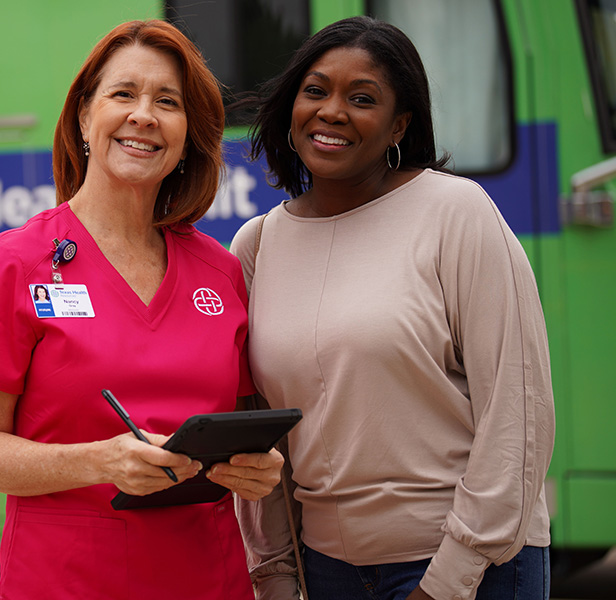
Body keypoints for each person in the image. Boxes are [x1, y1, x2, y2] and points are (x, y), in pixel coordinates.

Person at [0, 19, 282, 600]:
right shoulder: (16, 262)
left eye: (167, 102)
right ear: (83, 116)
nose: (143, 115)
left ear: (187, 135)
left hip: (210, 578)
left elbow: (245, 425)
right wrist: (100, 462)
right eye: (123, 94)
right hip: (67, 581)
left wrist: (260, 467)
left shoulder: (221, 271)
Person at [230, 16, 555, 600]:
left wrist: (450, 579)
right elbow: (261, 437)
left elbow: (519, 411)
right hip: (328, 571)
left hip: (471, 565)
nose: (332, 111)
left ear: (398, 124)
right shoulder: (257, 246)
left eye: (362, 98)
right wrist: (275, 572)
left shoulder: (456, 212)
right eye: (316, 90)